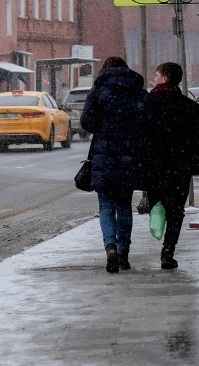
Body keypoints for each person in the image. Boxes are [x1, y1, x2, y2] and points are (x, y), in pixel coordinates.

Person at [144, 62, 199, 269]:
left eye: (157, 75)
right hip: (180, 166)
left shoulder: (148, 104)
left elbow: (137, 133)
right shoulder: (188, 106)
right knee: (176, 209)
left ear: (165, 78)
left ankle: (157, 225)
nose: (154, 78)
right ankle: (168, 252)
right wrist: (192, 146)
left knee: (157, 204)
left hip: (154, 165)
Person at [80, 57, 148, 273]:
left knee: (106, 206)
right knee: (124, 206)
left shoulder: (99, 90)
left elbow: (86, 122)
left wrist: (105, 124)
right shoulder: (137, 89)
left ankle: (110, 246)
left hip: (105, 156)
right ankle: (123, 253)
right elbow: (149, 120)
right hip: (130, 156)